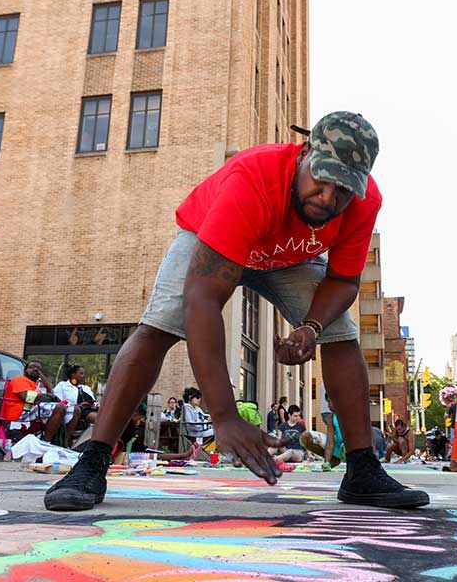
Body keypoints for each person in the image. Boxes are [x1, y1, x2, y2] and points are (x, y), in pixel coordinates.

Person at [45, 111, 427, 511]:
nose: (329, 198)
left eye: (343, 189)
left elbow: (344, 283)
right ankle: (92, 461)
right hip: (211, 238)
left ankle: (362, 470)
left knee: (340, 334)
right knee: (158, 327)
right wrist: (224, 415)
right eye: (322, 178)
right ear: (304, 153)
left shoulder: (365, 204)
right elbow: (203, 299)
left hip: (288, 259)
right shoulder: (254, 177)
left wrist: (311, 329)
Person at [3, 361, 72, 444]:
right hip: (20, 412)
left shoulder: (35, 384)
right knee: (59, 408)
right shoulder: (20, 379)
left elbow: (50, 392)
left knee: (75, 410)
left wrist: (42, 377)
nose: (35, 369)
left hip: (31, 410)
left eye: (38, 368)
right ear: (25, 370)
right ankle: (46, 442)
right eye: (32, 367)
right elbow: (26, 397)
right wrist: (45, 396)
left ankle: (65, 443)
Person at [301, 394, 346, 468]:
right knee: (306, 437)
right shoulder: (331, 418)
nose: (328, 405)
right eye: (327, 402)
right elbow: (330, 442)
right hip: (338, 447)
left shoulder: (349, 413)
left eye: (329, 402)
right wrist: (326, 462)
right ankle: (333, 460)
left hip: (350, 448)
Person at [53, 365, 98, 437]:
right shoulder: (62, 385)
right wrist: (75, 405)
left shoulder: (85, 388)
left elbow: (93, 401)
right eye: (81, 373)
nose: (84, 376)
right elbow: (58, 401)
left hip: (90, 408)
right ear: (73, 375)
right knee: (100, 419)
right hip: (77, 410)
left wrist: (95, 404)